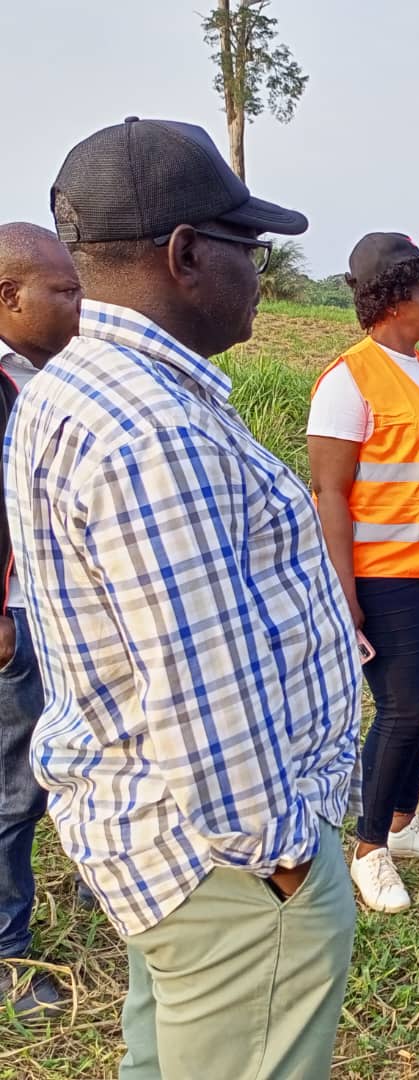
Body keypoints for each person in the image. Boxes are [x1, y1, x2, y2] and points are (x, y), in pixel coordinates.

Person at [6, 118, 362, 1078]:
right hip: (227, 867)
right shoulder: (152, 429)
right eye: (251, 249)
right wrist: (282, 859)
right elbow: (203, 680)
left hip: (154, 829)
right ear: (187, 254)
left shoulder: (73, 384)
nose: (262, 275)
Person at [308, 232, 419, 914]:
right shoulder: (347, 381)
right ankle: (370, 847)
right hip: (383, 575)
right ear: (392, 300)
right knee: (402, 706)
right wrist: (343, 591)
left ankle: (404, 821)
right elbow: (329, 494)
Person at [0, 222, 82, 1019]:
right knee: (13, 787)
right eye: (63, 291)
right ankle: (6, 956)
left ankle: (102, 882)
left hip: (65, 609)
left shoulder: (60, 375)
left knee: (84, 757)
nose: (78, 303)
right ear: (9, 296)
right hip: (15, 618)